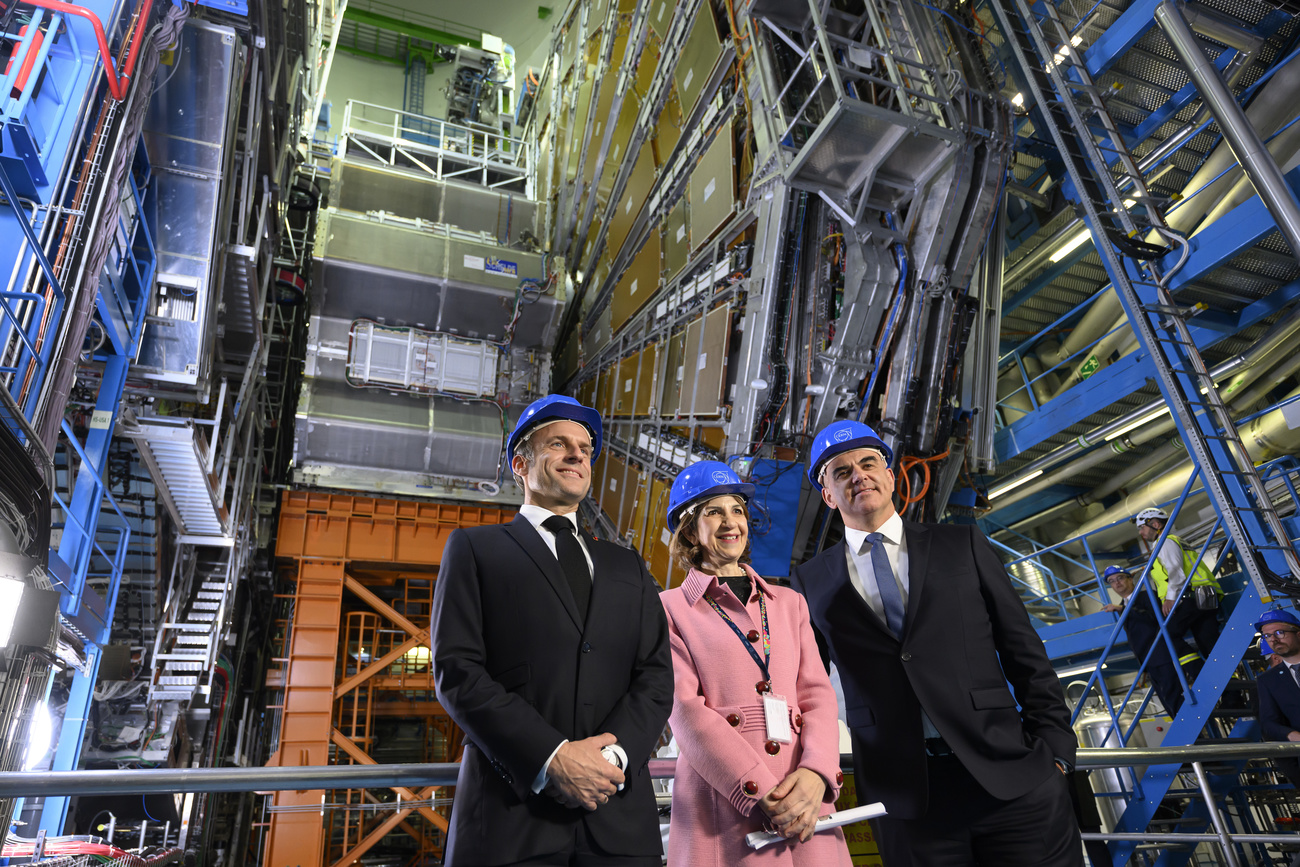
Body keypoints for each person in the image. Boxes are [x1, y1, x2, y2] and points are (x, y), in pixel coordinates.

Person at [790, 420, 1082, 867]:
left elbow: (1023, 648)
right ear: (828, 495)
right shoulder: (810, 582)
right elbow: (807, 688)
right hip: (907, 798)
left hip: (1011, 777)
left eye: (868, 463)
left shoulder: (961, 544)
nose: (858, 476)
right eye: (841, 472)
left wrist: (1057, 749)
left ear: (890, 476)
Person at [431, 395, 674, 866]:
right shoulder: (476, 549)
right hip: (511, 823)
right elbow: (457, 671)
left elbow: (656, 677)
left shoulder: (628, 566)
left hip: (618, 823)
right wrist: (552, 758)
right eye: (558, 444)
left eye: (584, 448)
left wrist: (613, 761)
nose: (577, 455)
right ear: (520, 463)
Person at [658, 461, 852, 867]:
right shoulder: (667, 609)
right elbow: (685, 711)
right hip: (725, 803)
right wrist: (763, 792)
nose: (731, 522)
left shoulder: (789, 603)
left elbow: (817, 695)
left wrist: (816, 774)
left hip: (803, 796)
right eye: (714, 511)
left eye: (737, 510)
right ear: (690, 530)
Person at [1100, 565, 1198, 714]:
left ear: (1130, 578)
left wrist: (1123, 610)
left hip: (1163, 656)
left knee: (1175, 696)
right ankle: (1187, 733)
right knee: (1167, 702)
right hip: (1148, 661)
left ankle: (1195, 733)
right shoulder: (1123, 606)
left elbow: (1154, 619)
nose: (1116, 583)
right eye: (1111, 581)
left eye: (1120, 578)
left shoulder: (1148, 596)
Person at [1132, 507, 1223, 660]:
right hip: (1204, 596)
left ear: (1155, 524)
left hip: (1189, 597)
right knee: (1210, 646)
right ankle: (1229, 680)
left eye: (1142, 527)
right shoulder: (1174, 540)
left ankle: (1197, 671)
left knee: (1165, 639)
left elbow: (1175, 570)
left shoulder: (1164, 542)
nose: (1141, 533)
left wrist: (1170, 598)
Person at [1253, 609, 1300, 788]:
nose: (1273, 639)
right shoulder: (1268, 681)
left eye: (1279, 632)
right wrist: (1291, 735)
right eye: (1267, 636)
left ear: (1298, 634)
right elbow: (1268, 722)